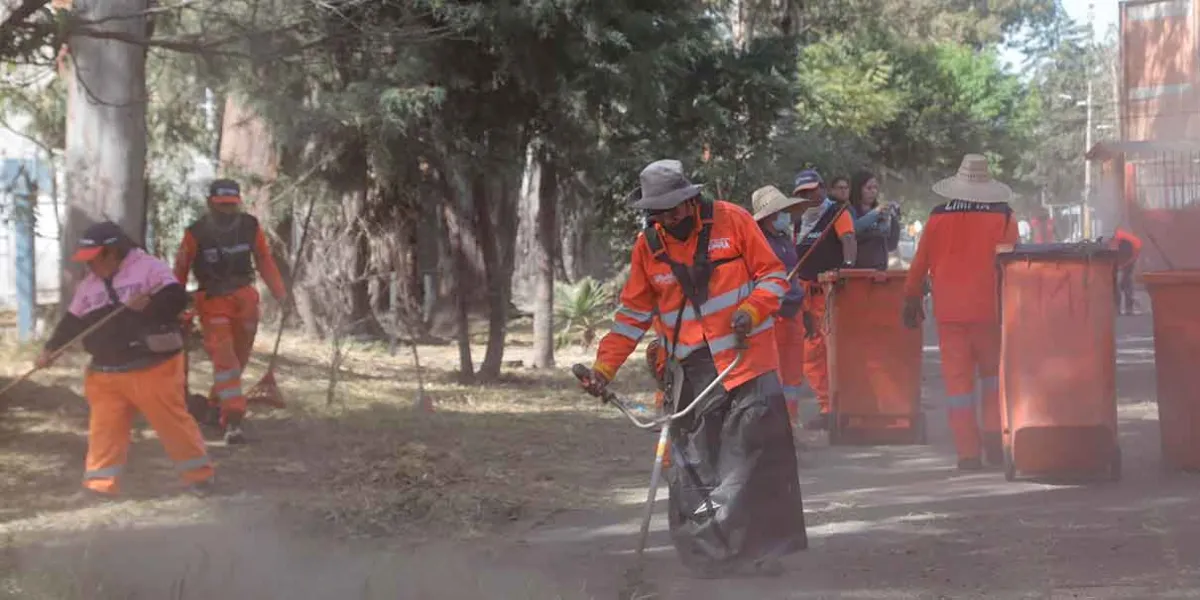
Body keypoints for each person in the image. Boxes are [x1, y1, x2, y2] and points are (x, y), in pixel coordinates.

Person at [578, 159, 807, 577]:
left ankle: (758, 551)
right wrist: (604, 369)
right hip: (689, 372)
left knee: (748, 463)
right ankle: (710, 561)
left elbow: (774, 276)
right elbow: (633, 314)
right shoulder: (649, 246)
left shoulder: (733, 221)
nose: (671, 217)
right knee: (693, 469)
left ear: (690, 198)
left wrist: (752, 312)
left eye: (677, 206)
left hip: (746, 363)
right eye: (660, 212)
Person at [38, 221, 215, 500]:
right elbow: (72, 322)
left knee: (172, 423)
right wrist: (51, 349)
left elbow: (176, 299)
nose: (90, 266)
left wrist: (148, 307)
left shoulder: (148, 268)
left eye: (94, 259)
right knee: (104, 429)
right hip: (106, 371)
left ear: (112, 252)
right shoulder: (89, 285)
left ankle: (197, 478)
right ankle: (100, 486)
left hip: (153, 367)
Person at [901, 154, 1018, 471]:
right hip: (991, 311)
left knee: (958, 387)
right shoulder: (1004, 217)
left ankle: (968, 454)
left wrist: (910, 297)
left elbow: (920, 261)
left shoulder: (938, 217)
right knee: (994, 380)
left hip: (950, 314)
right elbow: (1013, 265)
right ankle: (996, 441)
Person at [173, 179, 287, 444]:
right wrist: (176, 305)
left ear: (238, 203)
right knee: (225, 359)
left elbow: (264, 260)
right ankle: (233, 417)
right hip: (212, 301)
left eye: (231, 206)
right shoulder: (195, 233)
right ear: (210, 203)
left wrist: (281, 293)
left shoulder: (250, 226)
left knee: (239, 356)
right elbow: (179, 271)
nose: (226, 211)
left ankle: (215, 405)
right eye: (221, 206)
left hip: (245, 298)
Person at [792, 169, 857, 431]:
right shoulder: (798, 221)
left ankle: (847, 406)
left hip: (830, 293)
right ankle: (827, 406)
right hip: (804, 294)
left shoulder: (838, 213)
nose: (811, 195)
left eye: (814, 189)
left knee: (836, 351)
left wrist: (848, 269)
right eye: (803, 193)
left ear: (822, 187)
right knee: (811, 354)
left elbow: (849, 240)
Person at [751, 184, 817, 425]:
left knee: (793, 375)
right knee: (773, 373)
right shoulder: (757, 241)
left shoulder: (784, 238)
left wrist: (806, 310)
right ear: (768, 215)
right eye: (779, 212)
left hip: (794, 311)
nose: (783, 216)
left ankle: (791, 422)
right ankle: (774, 427)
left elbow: (795, 275)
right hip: (771, 315)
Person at [848, 170, 900, 270]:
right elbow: (854, 229)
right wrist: (875, 213)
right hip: (857, 270)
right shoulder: (849, 210)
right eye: (869, 188)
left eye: (875, 188)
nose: (873, 191)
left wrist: (894, 219)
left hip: (879, 270)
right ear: (858, 189)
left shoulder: (881, 212)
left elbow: (891, 245)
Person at [1108, 227, 1142, 316]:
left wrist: (1120, 267)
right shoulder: (1122, 238)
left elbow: (1123, 256)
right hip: (1129, 258)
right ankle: (1126, 308)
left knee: (1122, 284)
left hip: (1128, 259)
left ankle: (1121, 308)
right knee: (1125, 283)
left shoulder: (1121, 241)